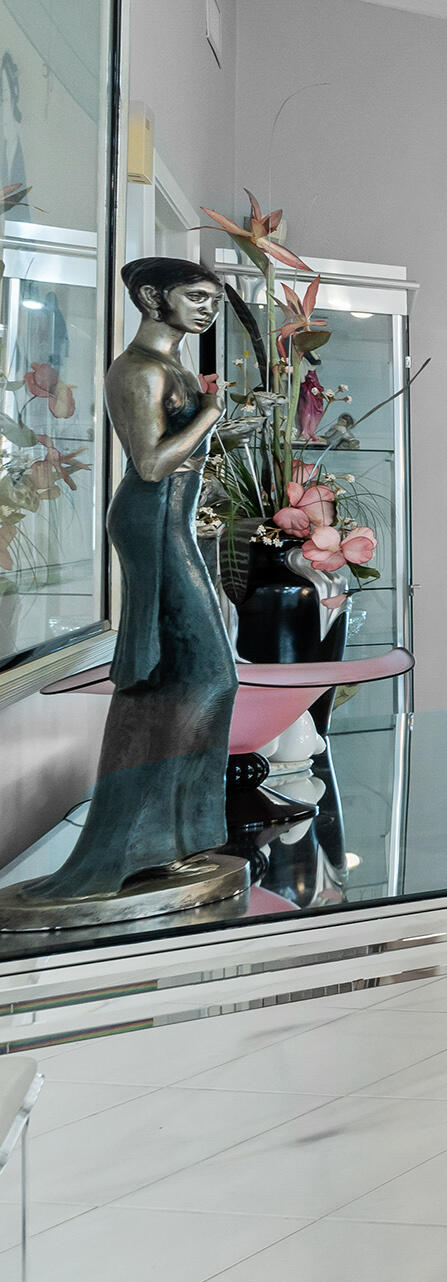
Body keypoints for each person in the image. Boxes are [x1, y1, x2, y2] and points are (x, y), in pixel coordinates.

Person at [4, 258, 241, 916]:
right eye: (197, 297)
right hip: (150, 521)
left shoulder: (171, 366)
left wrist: (214, 427)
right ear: (152, 295)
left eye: (214, 300)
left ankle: (168, 841)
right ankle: (127, 844)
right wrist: (211, 415)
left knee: (193, 677)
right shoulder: (136, 370)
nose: (207, 310)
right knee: (202, 675)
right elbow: (152, 463)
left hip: (171, 520)